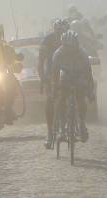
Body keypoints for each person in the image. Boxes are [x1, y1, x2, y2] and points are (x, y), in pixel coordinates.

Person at [50, 30, 95, 144]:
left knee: (81, 98)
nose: (70, 50)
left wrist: (90, 91)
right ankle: (62, 128)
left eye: (72, 47)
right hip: (65, 75)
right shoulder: (58, 54)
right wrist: (54, 89)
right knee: (62, 98)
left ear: (76, 44)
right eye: (67, 47)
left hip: (79, 76)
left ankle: (82, 123)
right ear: (63, 45)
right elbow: (55, 74)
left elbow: (89, 75)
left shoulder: (83, 54)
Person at [39, 18, 70, 148]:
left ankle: (69, 122)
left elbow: (82, 58)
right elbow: (40, 62)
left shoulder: (72, 39)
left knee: (66, 96)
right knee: (51, 100)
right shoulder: (47, 40)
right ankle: (50, 132)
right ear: (54, 30)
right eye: (57, 31)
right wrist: (43, 78)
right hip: (51, 71)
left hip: (68, 70)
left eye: (62, 32)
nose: (59, 34)